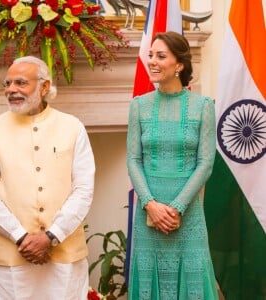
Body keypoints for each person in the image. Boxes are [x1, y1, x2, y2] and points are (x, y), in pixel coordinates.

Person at [0, 56, 95, 299]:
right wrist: (21, 236)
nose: (11, 90)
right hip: (9, 257)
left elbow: (83, 189)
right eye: (7, 84)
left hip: (64, 256)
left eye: (20, 83)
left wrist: (52, 236)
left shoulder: (73, 126)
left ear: (44, 86)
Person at [126, 31, 218, 299]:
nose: (152, 61)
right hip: (149, 213)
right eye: (151, 55)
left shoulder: (203, 106)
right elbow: (133, 159)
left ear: (179, 64)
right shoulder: (138, 106)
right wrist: (151, 205)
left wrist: (176, 208)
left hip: (188, 214)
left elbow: (206, 163)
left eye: (161, 56)